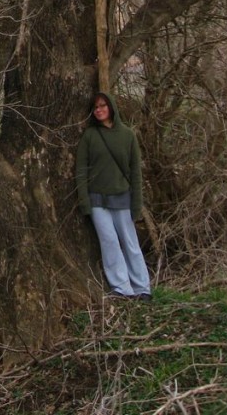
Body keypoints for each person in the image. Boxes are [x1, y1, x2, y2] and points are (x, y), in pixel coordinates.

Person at [75, 91, 152, 301]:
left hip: (122, 198)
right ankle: (121, 287)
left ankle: (142, 287)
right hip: (97, 200)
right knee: (109, 243)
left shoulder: (127, 135)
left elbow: (135, 171)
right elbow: (81, 170)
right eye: (96, 107)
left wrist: (137, 202)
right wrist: (84, 201)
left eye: (103, 106)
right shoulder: (90, 136)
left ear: (111, 108)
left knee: (130, 242)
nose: (99, 110)